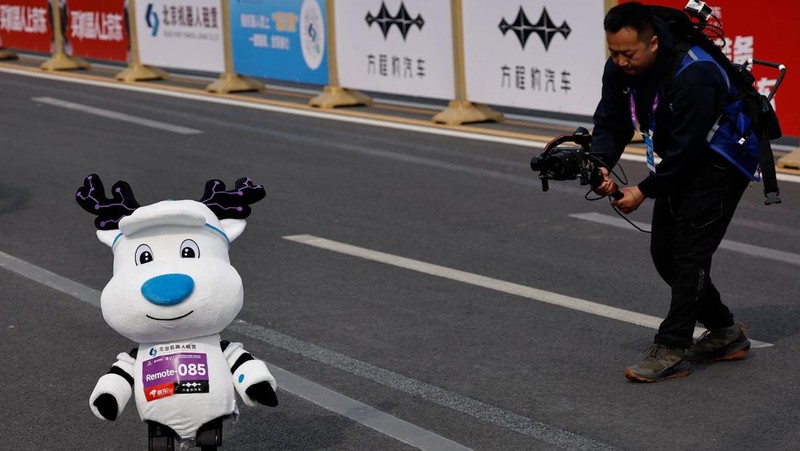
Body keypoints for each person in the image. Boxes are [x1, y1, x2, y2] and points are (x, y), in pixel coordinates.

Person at [591, 2, 751, 382]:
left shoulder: (695, 73)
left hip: (722, 158)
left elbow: (689, 149)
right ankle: (726, 332)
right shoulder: (619, 67)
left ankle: (672, 347)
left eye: (628, 54)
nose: (620, 61)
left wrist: (643, 190)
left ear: (653, 44)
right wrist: (599, 162)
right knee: (664, 251)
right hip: (682, 154)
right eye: (613, 52)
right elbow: (611, 120)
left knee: (690, 254)